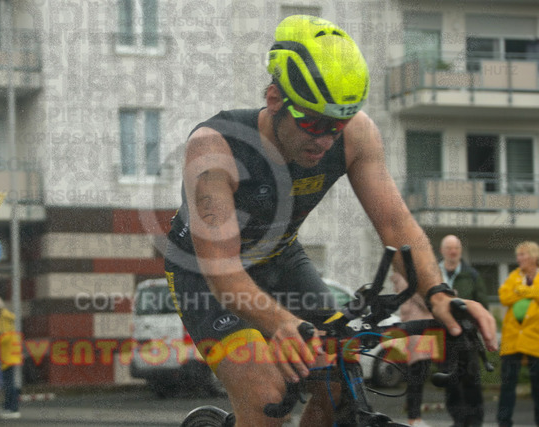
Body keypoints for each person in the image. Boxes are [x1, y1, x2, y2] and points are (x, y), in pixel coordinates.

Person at [164, 15, 498, 426]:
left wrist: (439, 294)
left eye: (338, 125)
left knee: (340, 378)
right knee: (267, 396)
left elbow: (396, 226)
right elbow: (223, 270)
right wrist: (283, 323)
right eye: (314, 123)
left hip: (279, 258)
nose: (325, 139)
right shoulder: (214, 150)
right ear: (274, 98)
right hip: (207, 273)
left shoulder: (357, 135)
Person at [437, 235, 489, 427]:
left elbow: (482, 305)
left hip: (467, 336)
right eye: (449, 248)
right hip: (442, 335)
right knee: (450, 380)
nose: (453, 251)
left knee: (471, 379)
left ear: (460, 251)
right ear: (442, 251)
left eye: (456, 248)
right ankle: (458, 421)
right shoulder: (433, 274)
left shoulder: (471, 275)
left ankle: (475, 421)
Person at [497, 241, 539, 427]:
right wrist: (531, 293)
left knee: (538, 385)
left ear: (533, 256)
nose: (518, 258)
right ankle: (503, 422)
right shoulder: (514, 276)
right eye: (518, 255)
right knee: (507, 384)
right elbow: (504, 296)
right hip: (512, 339)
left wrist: (522, 290)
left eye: (523, 254)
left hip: (535, 339)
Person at [391, 273, 433, 427]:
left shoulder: (405, 278)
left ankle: (414, 416)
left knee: (416, 375)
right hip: (420, 332)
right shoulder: (413, 280)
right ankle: (414, 418)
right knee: (418, 375)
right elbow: (429, 302)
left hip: (415, 332)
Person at [0, 296, 23, 420]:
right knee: (8, 383)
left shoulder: (3, 318)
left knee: (9, 383)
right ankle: (8, 407)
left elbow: (3, 336)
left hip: (7, 356)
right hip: (7, 355)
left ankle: (13, 408)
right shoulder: (1, 317)